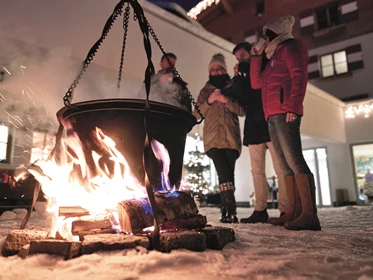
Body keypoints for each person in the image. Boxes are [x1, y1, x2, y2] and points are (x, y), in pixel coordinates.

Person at [250, 15, 321, 231]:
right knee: (284, 164)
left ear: (275, 32)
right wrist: (255, 56)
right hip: (272, 115)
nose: (264, 38)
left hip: (285, 112)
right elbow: (256, 84)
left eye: (267, 34)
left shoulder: (292, 47)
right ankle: (293, 211)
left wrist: (293, 105)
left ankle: (309, 214)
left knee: (294, 160)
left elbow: (299, 76)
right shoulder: (273, 56)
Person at [231, 42, 288, 224]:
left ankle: (286, 209)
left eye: (243, 54)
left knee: (280, 167)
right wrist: (238, 78)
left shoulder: (265, 65)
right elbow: (243, 98)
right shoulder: (241, 74)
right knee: (256, 170)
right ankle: (260, 209)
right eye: (238, 56)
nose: (241, 58)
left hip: (270, 120)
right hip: (253, 125)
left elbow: (262, 89)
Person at [193, 53, 245, 223]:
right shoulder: (205, 90)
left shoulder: (233, 87)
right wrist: (208, 101)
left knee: (228, 174)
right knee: (223, 172)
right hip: (213, 140)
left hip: (231, 138)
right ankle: (229, 211)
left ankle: (228, 211)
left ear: (224, 69)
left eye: (219, 68)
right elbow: (196, 114)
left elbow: (242, 110)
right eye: (213, 69)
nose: (215, 72)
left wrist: (226, 100)